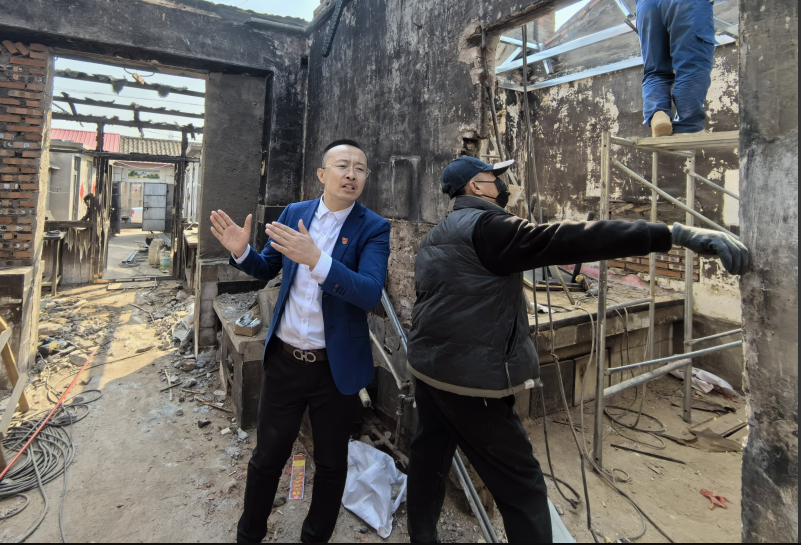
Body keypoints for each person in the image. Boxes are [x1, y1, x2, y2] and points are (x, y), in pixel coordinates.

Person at [405, 156, 748, 543]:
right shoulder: (490, 227)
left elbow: (449, 297)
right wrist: (672, 234)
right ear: (475, 187)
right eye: (494, 178)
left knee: (429, 457)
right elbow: (571, 237)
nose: (503, 184)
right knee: (523, 489)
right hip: (472, 383)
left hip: (428, 368)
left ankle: (421, 536)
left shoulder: (437, 235)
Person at [209, 140, 390, 544]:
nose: (351, 174)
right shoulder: (295, 213)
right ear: (322, 174)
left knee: (331, 464)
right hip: (285, 362)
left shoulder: (374, 228)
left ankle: (314, 538)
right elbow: (267, 267)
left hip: (335, 370)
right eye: (342, 165)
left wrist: (318, 259)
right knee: (266, 458)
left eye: (360, 168)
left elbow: (369, 293)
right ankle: (249, 535)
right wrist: (242, 253)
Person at [620, 0, 736, 136]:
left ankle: (658, 113)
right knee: (692, 61)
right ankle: (688, 125)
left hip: (646, 2)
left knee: (655, 69)